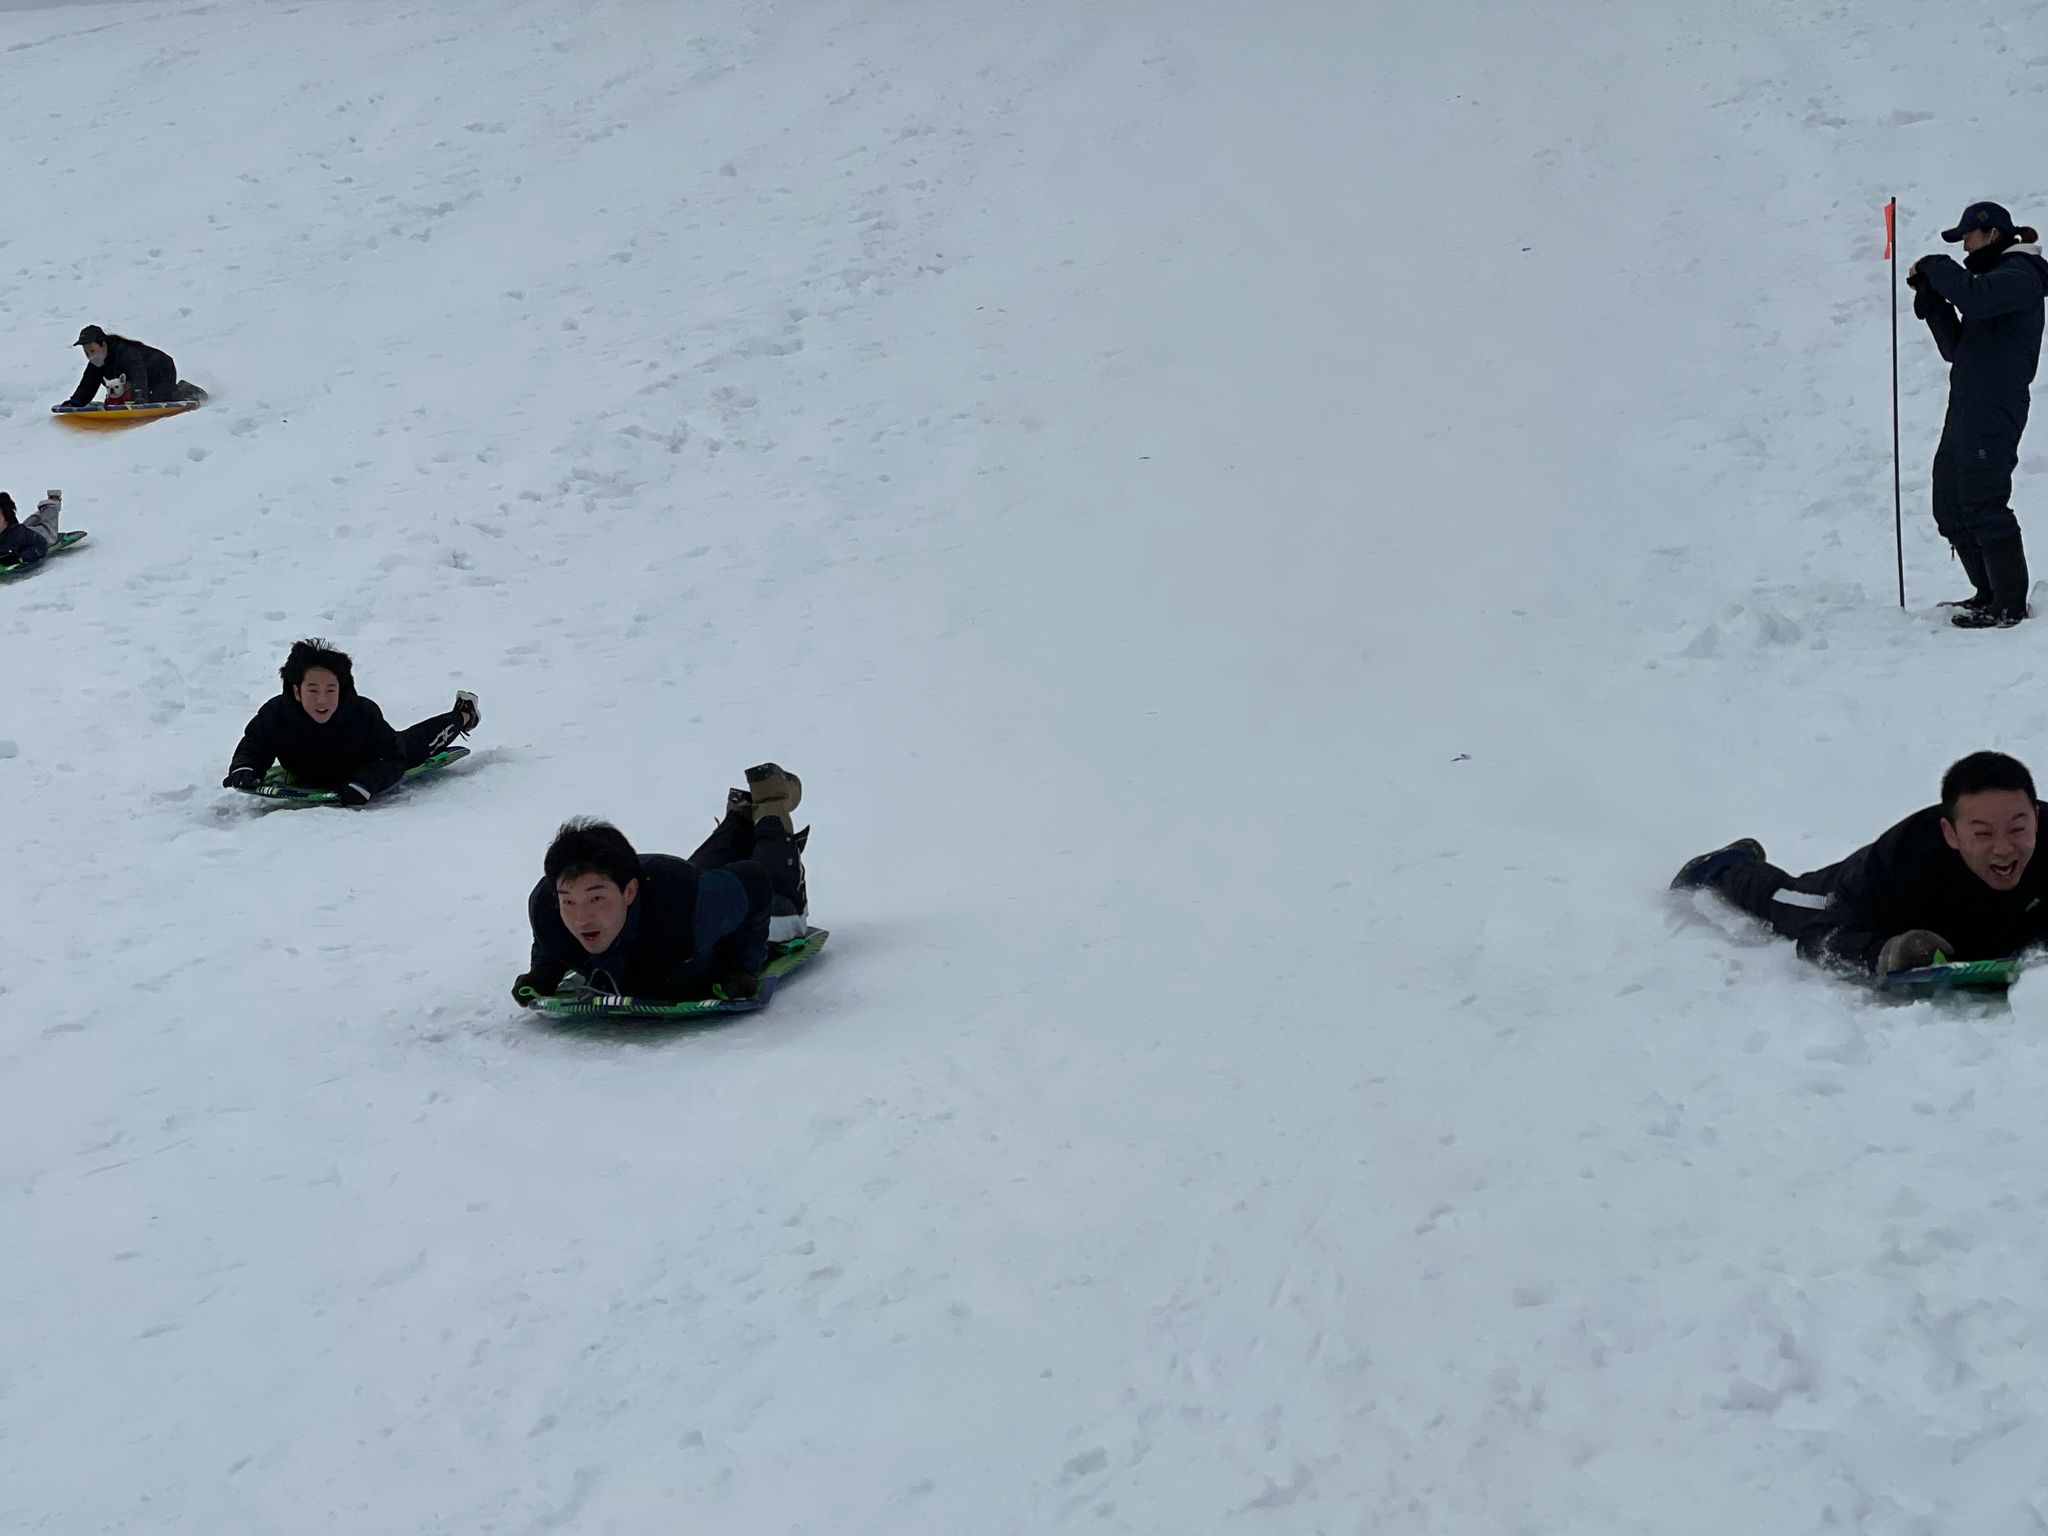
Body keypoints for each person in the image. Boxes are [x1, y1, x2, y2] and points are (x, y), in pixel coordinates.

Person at [1672, 750, 2048, 975]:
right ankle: (1725, 866)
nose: (2004, 848)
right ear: (1950, 833)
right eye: (1983, 833)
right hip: (1875, 900)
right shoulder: (1902, 863)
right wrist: (1888, 953)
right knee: (1787, 902)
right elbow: (1818, 938)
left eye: (2018, 828)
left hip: (1986, 923)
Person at [514, 763, 812, 1003]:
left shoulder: (686, 913)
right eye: (568, 901)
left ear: (629, 892)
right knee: (697, 884)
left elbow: (754, 881)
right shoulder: (548, 908)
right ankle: (741, 817)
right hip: (671, 885)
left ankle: (772, 801)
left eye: (596, 899)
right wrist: (543, 973)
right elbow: (551, 940)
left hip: (692, 905)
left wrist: (741, 966)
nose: (582, 918)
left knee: (786, 910)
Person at [1907, 203, 2048, 628]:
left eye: (1967, 237)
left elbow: (1975, 297)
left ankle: (2008, 604)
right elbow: (1957, 349)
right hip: (1968, 402)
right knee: (1950, 502)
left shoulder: (2020, 274)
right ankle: (1988, 593)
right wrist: (1932, 300)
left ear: (1991, 234)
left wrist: (1936, 266)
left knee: (1984, 497)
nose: (1965, 247)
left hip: (1995, 403)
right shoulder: (1993, 282)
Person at [223, 639, 480, 807]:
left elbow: (392, 756)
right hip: (314, 768)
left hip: (368, 762)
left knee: (416, 743)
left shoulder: (362, 714)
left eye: (330, 690)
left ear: (341, 690)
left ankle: (464, 715)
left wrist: (366, 782)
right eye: (313, 690)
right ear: (297, 691)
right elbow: (256, 743)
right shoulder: (277, 713)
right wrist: (245, 768)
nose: (322, 700)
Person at [63, 325, 203, 408]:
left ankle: (185, 390)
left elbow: (137, 372)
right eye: (86, 353)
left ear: (103, 345)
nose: (90, 356)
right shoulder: (97, 362)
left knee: (157, 400)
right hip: (145, 377)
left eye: (92, 351)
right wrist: (76, 401)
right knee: (145, 398)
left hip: (161, 369)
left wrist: (140, 396)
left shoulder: (124, 352)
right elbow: (88, 383)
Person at [0, 490, 61, 567]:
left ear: (6, 521)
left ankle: (52, 502)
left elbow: (40, 544)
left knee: (48, 526)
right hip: (25, 531)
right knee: (32, 521)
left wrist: (23, 557)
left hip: (39, 536)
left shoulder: (19, 535)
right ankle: (40, 512)